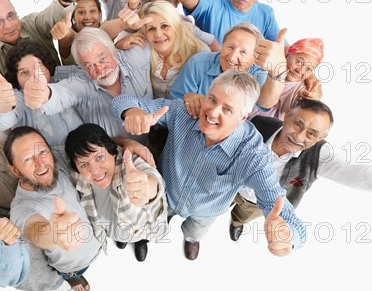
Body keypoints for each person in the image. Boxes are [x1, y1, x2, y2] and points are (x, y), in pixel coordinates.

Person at [112, 71, 307, 260]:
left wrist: (289, 235)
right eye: (212, 99)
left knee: (195, 231)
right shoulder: (184, 112)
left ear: (242, 118)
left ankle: (191, 239)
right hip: (165, 193)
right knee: (154, 220)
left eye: (227, 109)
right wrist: (133, 112)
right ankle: (143, 236)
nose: (212, 112)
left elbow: (275, 199)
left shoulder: (253, 155)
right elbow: (121, 102)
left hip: (206, 212)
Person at [229, 99, 372, 241]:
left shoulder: (319, 154)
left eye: (312, 134)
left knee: (243, 215)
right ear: (287, 116)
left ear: (321, 138)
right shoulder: (258, 124)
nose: (299, 136)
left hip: (256, 204)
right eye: (298, 124)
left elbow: (348, 171)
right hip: (228, 184)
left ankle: (237, 222)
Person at [5, 126, 102, 291]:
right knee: (73, 275)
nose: (41, 163)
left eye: (43, 152)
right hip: (73, 266)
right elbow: (35, 230)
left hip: (99, 242)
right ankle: (72, 278)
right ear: (15, 170)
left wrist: (129, 143)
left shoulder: (59, 160)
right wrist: (54, 234)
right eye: (28, 159)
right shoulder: (22, 207)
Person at [22, 27, 153, 143]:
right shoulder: (81, 81)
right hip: (113, 159)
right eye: (89, 65)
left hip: (154, 143)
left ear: (113, 51)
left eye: (102, 59)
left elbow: (160, 32)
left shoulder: (134, 55)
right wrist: (43, 94)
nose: (100, 69)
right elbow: (61, 93)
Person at [65, 124, 168, 262]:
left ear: (112, 151)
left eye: (99, 157)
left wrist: (148, 189)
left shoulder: (133, 164)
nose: (95, 171)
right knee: (119, 237)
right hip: (111, 230)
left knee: (141, 238)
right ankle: (120, 239)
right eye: (84, 165)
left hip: (140, 229)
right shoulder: (78, 175)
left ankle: (141, 242)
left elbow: (152, 181)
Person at [0, 41, 84, 148]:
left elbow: (85, 76)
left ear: (48, 67)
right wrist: (4, 106)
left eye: (38, 68)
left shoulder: (61, 76)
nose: (33, 77)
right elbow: (4, 122)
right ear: (16, 78)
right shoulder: (18, 96)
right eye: (24, 73)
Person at [250, 38, 325, 120]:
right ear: (287, 55)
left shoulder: (302, 91)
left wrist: (308, 103)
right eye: (299, 62)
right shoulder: (266, 68)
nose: (300, 70)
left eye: (308, 69)